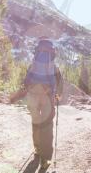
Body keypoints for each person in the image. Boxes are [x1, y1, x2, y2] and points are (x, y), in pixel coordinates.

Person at [10, 37, 63, 170]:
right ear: (52, 52)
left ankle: (38, 150)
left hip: (33, 96)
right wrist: (57, 96)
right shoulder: (54, 67)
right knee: (47, 125)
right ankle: (45, 159)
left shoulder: (32, 65)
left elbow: (26, 80)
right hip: (47, 97)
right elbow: (59, 83)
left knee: (36, 123)